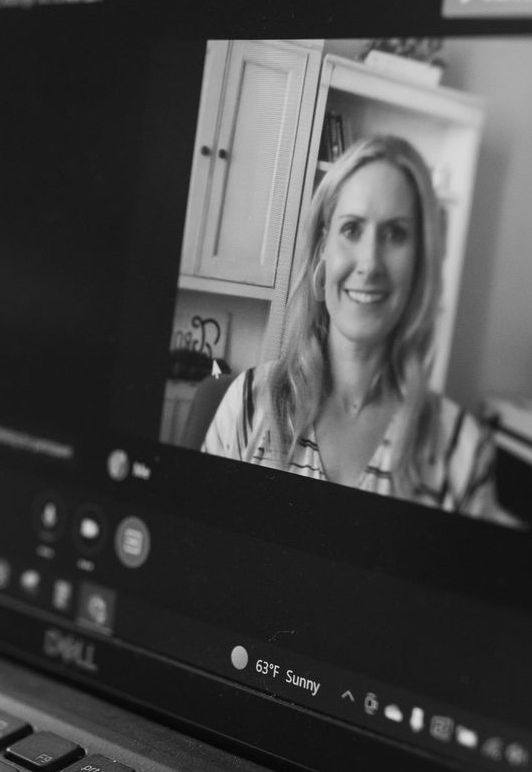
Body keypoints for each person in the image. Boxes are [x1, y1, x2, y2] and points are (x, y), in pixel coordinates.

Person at [202, 134, 495, 515]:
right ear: (324, 250)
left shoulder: (461, 450)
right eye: (352, 229)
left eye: (395, 234)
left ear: (420, 264)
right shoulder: (247, 406)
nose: (370, 262)